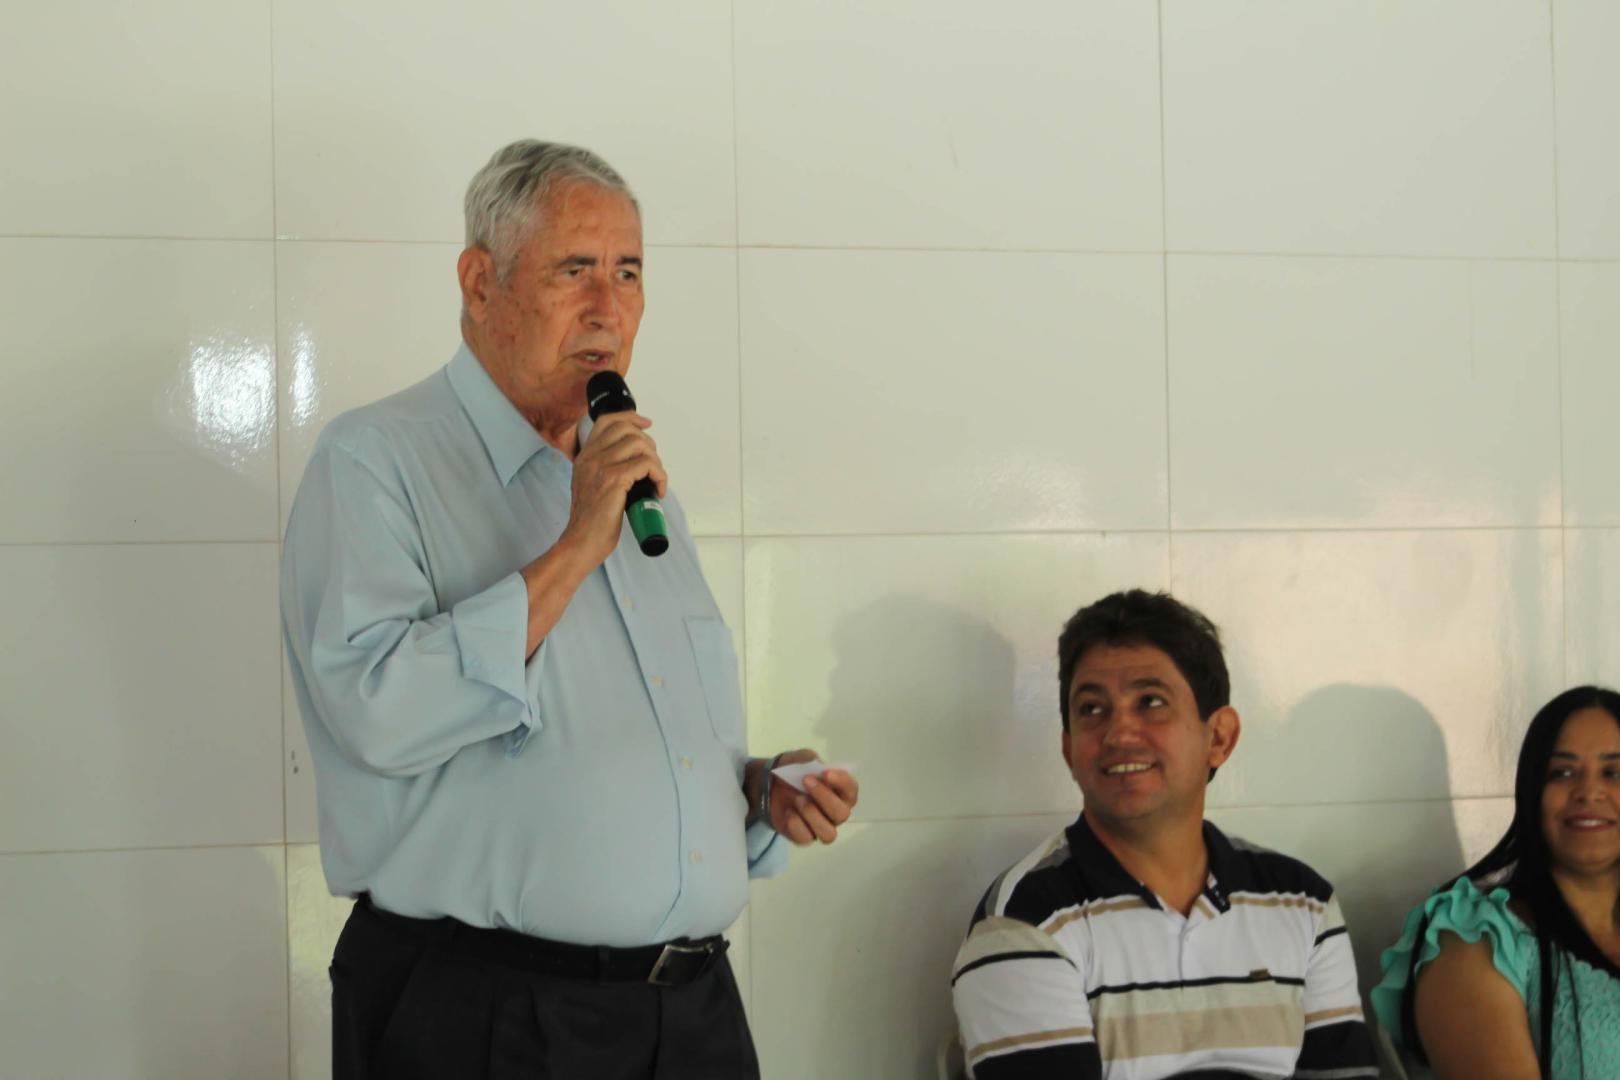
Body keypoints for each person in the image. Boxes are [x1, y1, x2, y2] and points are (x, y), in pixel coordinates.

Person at [280, 139, 859, 1079]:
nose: (608, 306)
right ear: (481, 283)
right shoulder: (375, 461)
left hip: (693, 1016)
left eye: (629, 272)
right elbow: (376, 714)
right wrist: (578, 543)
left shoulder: (632, 478)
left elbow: (630, 744)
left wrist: (755, 791)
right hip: (488, 1014)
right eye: (574, 270)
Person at [951, 589, 1377, 1079]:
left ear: (1219, 737)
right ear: (1069, 750)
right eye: (1092, 709)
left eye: (1150, 702)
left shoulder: (1302, 903)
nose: (1119, 733)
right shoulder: (1026, 919)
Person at [1371, 686, 1620, 1078]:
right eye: (1562, 772)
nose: (1589, 792)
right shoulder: (1477, 937)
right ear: (1532, 791)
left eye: (1614, 772)